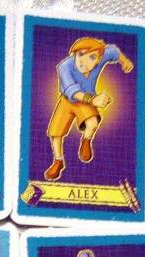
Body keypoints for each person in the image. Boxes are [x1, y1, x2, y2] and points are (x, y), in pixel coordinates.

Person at [44, 37, 134, 181]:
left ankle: (86, 141)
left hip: (86, 100)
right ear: (75, 54)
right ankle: (58, 161)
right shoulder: (64, 67)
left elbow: (114, 51)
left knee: (92, 123)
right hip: (68, 100)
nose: (83, 62)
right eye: (80, 55)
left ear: (98, 59)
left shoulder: (103, 55)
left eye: (91, 57)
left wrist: (124, 61)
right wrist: (93, 100)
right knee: (56, 133)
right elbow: (72, 91)